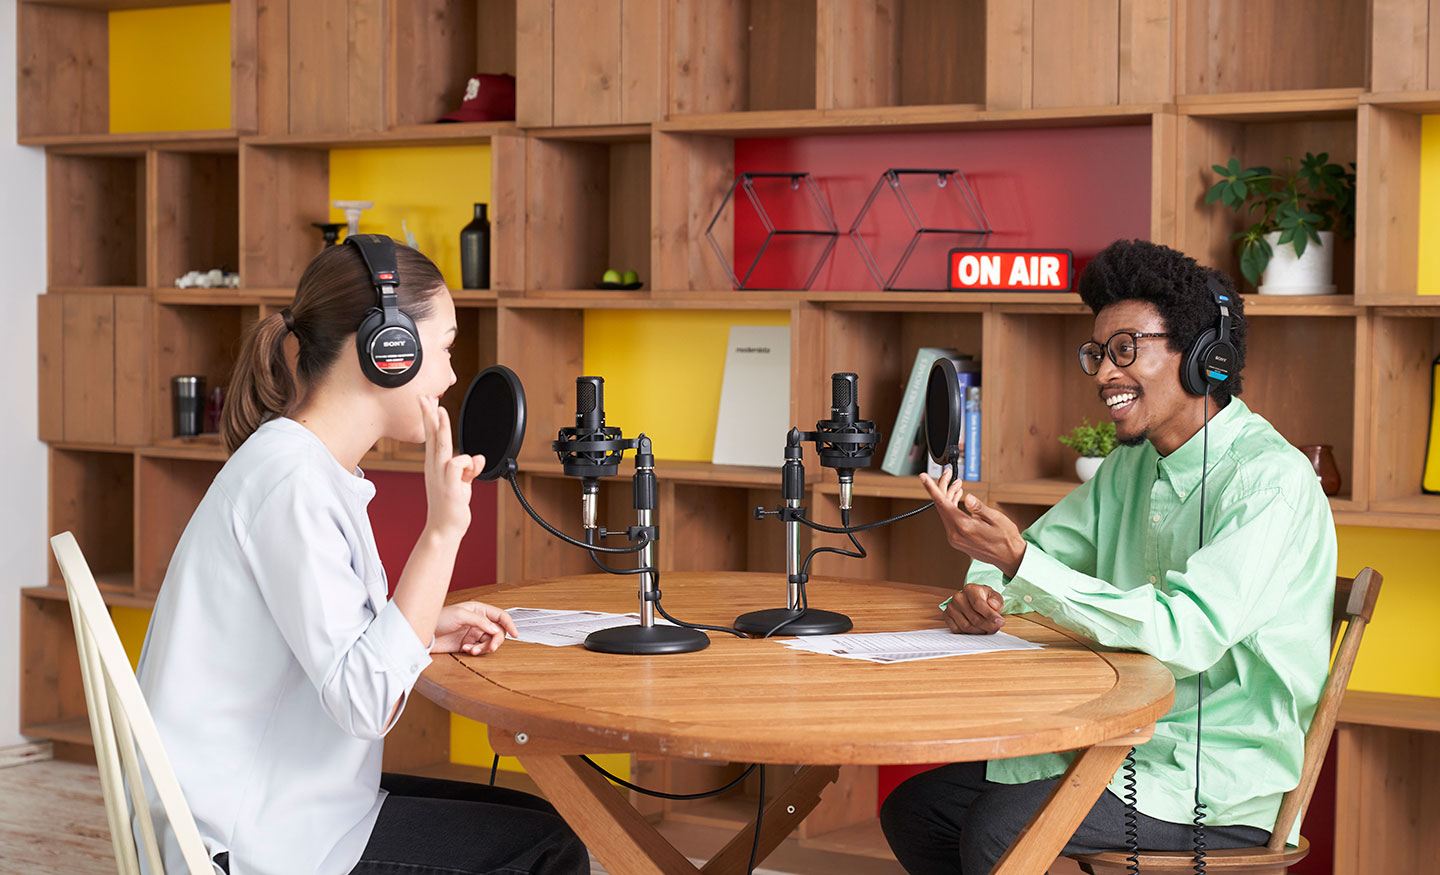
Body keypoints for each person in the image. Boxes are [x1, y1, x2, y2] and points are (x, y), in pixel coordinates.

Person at [880, 239, 1336, 874]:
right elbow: (1037, 552)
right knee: (918, 809)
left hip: (1212, 779)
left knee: (1000, 830)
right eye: (1097, 353)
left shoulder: (1270, 483)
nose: (1101, 374)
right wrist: (987, 587)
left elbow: (1187, 633)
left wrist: (1018, 566)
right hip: (1117, 741)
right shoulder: (1131, 468)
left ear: (1207, 356)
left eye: (1126, 350)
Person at [134, 238, 589, 875]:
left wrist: (419, 632)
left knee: (542, 825)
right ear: (388, 348)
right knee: (548, 850)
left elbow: (326, 641)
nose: (453, 376)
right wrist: (442, 533)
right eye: (447, 348)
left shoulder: (300, 466)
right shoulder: (292, 485)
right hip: (248, 841)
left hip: (278, 805)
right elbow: (365, 704)